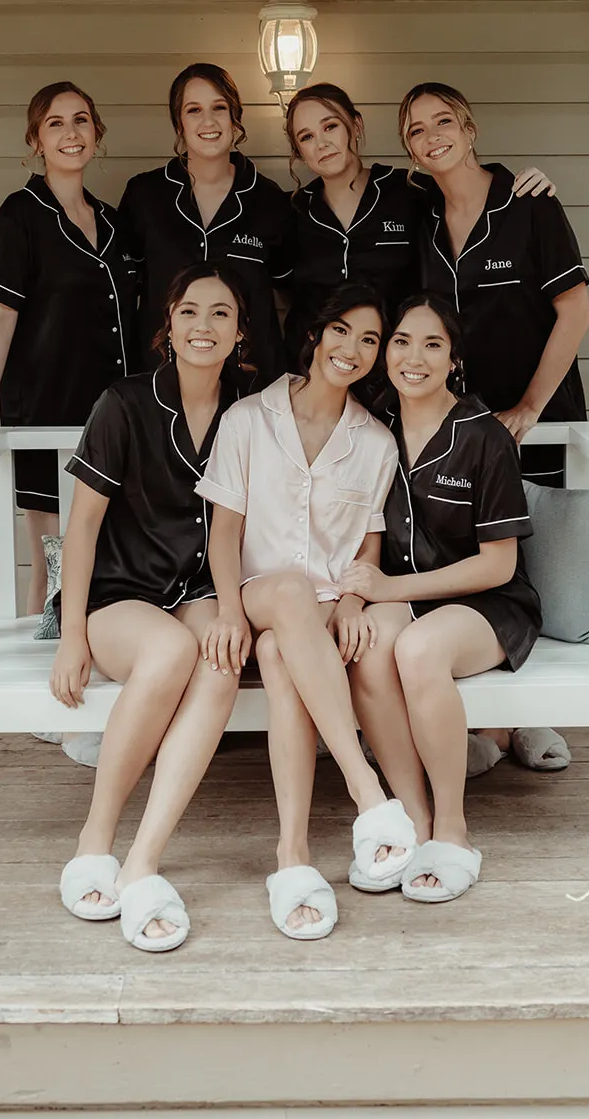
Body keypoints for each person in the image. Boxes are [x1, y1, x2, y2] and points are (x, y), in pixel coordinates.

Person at [196, 284, 411, 942]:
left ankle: (291, 858)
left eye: (369, 340)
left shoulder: (374, 442)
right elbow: (222, 533)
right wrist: (231, 612)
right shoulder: (247, 420)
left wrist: (350, 600)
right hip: (257, 593)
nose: (351, 349)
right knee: (283, 600)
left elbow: (368, 543)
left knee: (278, 654)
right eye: (341, 331)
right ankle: (364, 790)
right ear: (315, 334)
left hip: (314, 617)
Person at [51, 264, 249, 953]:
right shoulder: (124, 403)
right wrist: (72, 635)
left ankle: (142, 861)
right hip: (119, 596)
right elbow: (79, 529)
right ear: (168, 325)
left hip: (200, 591)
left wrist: (232, 607)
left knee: (221, 662)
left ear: (239, 332)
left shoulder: (249, 410)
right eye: (189, 311)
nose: (204, 325)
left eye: (220, 313)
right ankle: (94, 839)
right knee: (169, 652)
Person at [399, 81, 589, 774]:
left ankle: (526, 716)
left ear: (469, 127)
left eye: (442, 122)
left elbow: (573, 312)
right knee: (468, 567)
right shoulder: (417, 214)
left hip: (532, 422)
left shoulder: (530, 205)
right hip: (460, 432)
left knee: (530, 570)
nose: (431, 137)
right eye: (415, 130)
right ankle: (481, 721)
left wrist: (530, 407)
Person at [341, 294, 541, 902]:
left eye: (433, 345)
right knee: (371, 648)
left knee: (419, 650)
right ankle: (414, 820)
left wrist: (390, 590)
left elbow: (498, 563)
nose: (414, 357)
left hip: (487, 602)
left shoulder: (484, 436)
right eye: (401, 341)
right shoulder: (369, 421)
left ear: (454, 359)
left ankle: (453, 832)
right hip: (404, 598)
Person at [0, 82, 135, 614]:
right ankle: (46, 683)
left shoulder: (115, 223)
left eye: (81, 120)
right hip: (47, 420)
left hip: (113, 423)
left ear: (96, 132)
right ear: (36, 139)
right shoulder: (20, 216)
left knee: (106, 562)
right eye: (55, 123)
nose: (71, 133)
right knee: (55, 567)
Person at [282, 82, 556, 373]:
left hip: (400, 374)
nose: (322, 143)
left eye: (331, 126)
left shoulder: (412, 191)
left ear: (356, 125)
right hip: (316, 373)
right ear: (298, 151)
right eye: (307, 136)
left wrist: (523, 184)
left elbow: (470, 190)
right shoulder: (291, 211)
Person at [118, 63, 292, 385]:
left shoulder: (269, 200)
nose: (208, 121)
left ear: (235, 117)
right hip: (160, 382)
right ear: (179, 122)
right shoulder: (145, 196)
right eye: (194, 110)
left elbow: (295, 293)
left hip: (251, 387)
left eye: (219, 108)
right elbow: (124, 294)